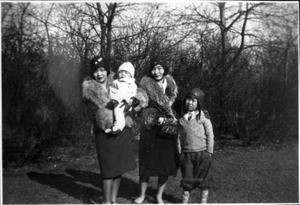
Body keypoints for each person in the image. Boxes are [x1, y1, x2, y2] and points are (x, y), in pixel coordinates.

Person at [82, 56, 138, 204]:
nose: (99, 74)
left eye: (102, 70)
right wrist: (108, 121)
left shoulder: (119, 82)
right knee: (107, 170)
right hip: (104, 133)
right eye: (96, 71)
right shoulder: (89, 90)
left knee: (118, 167)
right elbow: (92, 114)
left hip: (122, 130)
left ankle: (113, 200)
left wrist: (128, 113)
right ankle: (106, 202)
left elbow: (132, 100)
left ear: (107, 71)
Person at [134, 60, 179, 204]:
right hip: (150, 128)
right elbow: (141, 103)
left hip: (168, 130)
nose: (156, 72)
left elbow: (177, 109)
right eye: (154, 68)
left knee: (165, 165)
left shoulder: (172, 86)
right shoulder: (145, 84)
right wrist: (152, 115)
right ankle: (142, 195)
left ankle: (159, 196)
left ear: (164, 69)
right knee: (146, 164)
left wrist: (170, 120)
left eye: (159, 68)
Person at [178, 88, 214, 204]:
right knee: (187, 179)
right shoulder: (182, 119)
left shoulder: (203, 116)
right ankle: (185, 201)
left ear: (199, 102)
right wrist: (179, 151)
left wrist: (209, 151)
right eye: (188, 100)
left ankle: (203, 201)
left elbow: (210, 134)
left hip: (202, 154)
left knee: (204, 179)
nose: (190, 102)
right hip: (187, 154)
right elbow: (178, 137)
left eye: (193, 100)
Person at [105, 62, 138, 134]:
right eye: (121, 72)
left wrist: (116, 100)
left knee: (118, 111)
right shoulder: (117, 81)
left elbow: (123, 92)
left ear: (130, 75)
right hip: (116, 99)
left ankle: (118, 126)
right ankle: (112, 127)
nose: (123, 74)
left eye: (126, 72)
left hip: (123, 101)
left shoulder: (127, 82)